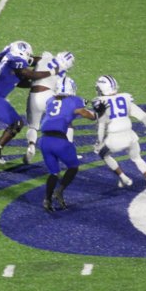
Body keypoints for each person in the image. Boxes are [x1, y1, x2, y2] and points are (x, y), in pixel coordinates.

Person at [0, 41, 70, 163]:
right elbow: (30, 74)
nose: (29, 57)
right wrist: (52, 72)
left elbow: (21, 81)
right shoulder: (15, 60)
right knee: (17, 123)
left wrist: (37, 83)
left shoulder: (11, 60)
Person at [92, 75, 146, 194]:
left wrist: (99, 141)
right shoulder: (125, 98)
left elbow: (101, 126)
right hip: (130, 135)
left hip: (114, 139)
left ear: (102, 88)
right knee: (137, 158)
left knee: (103, 154)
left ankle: (123, 177)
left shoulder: (101, 102)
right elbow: (143, 115)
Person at [39, 76, 97, 212]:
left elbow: (62, 110)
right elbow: (83, 112)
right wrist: (96, 116)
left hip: (44, 141)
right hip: (59, 141)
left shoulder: (50, 100)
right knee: (73, 166)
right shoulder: (74, 100)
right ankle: (59, 190)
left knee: (53, 173)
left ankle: (47, 199)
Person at [24, 51, 73, 164]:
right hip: (49, 95)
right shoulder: (63, 74)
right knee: (66, 120)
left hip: (34, 94)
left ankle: (31, 146)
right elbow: (62, 91)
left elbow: (29, 61)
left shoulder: (45, 58)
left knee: (33, 127)